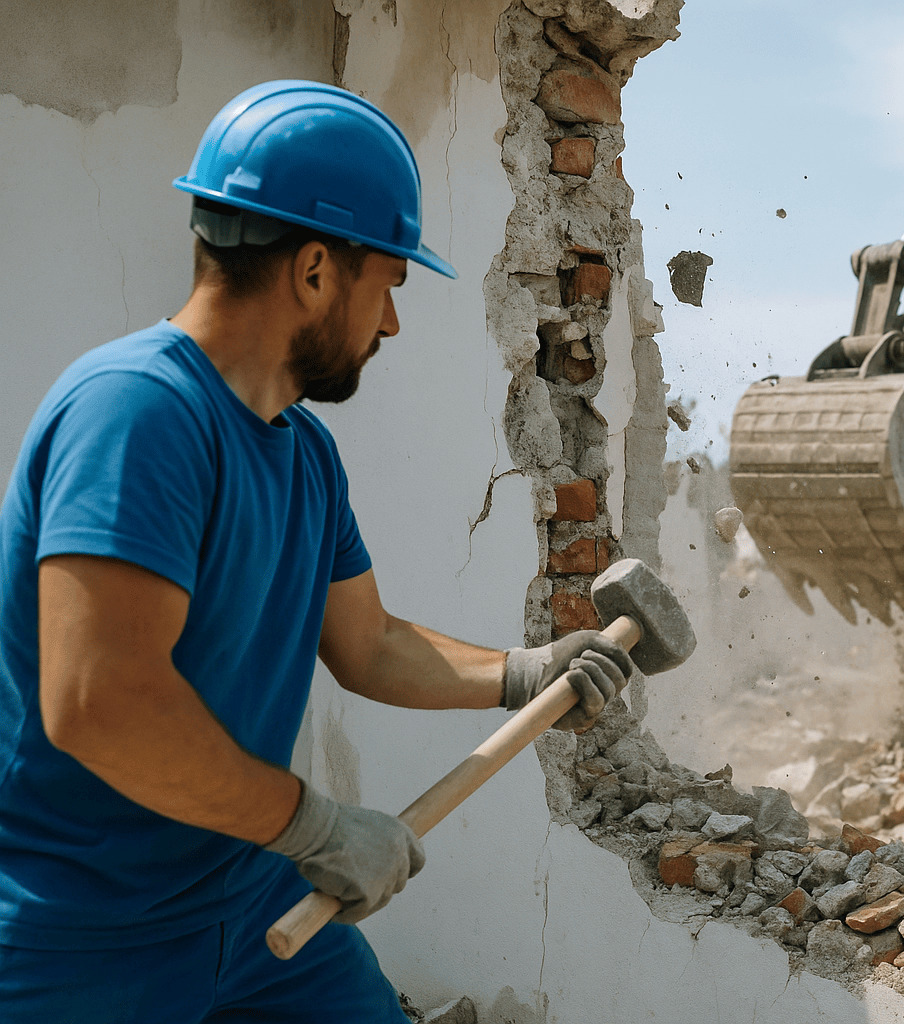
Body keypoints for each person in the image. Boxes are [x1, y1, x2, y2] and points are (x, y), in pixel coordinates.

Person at [0, 81, 632, 1022]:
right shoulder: (138, 415)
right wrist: (313, 826)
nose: (390, 324)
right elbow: (100, 704)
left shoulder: (302, 453)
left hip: (249, 904)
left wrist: (525, 672)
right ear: (312, 272)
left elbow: (366, 642)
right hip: (87, 935)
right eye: (388, 286)